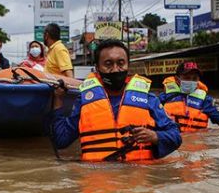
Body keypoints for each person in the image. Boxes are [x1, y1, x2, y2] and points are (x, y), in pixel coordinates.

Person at [49, 39, 181, 162]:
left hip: (139, 180)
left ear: (128, 65)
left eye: (121, 63)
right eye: (108, 64)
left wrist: (155, 136)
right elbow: (61, 140)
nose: (115, 69)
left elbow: (175, 136)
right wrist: (58, 100)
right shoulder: (84, 100)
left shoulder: (148, 99)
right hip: (97, 180)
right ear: (97, 68)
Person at [159, 61, 219, 133]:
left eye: (194, 78)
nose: (191, 81)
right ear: (177, 79)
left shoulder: (205, 101)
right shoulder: (165, 97)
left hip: (195, 143)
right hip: (172, 140)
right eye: (187, 78)